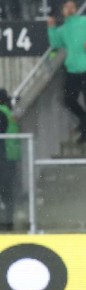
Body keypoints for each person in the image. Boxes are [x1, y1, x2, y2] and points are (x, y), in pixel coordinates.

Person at [48, 0, 86, 144]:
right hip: (73, 68)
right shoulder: (63, 29)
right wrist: (52, 28)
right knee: (69, 99)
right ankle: (85, 120)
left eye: (72, 6)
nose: (70, 9)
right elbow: (56, 43)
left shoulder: (85, 21)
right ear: (62, 10)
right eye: (66, 7)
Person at [0, 89, 21, 231]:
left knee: (6, 193)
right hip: (9, 157)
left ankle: (6, 223)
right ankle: (8, 222)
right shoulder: (8, 111)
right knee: (8, 193)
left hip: (3, 158)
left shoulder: (2, 113)